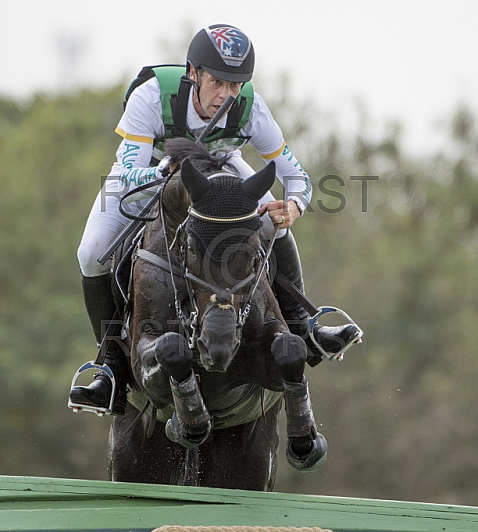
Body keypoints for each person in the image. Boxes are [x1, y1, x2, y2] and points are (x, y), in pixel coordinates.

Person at [71, 24, 360, 414]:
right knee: (90, 253)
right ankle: (110, 365)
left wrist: (294, 206)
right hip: (153, 172)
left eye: (235, 85)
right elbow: (129, 174)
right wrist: (170, 172)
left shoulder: (251, 108)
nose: (226, 95)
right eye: (218, 83)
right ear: (193, 73)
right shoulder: (152, 96)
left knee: (272, 222)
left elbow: (299, 179)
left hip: (222, 168)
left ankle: (304, 326)